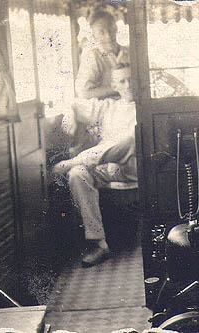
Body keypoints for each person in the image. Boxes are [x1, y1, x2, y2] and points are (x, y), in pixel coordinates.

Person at [53, 63, 137, 267]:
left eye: (131, 80)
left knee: (126, 141)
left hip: (133, 168)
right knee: (77, 174)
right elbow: (73, 103)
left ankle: (73, 162)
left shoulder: (145, 109)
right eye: (122, 81)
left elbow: (123, 145)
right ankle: (98, 243)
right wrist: (71, 115)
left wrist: (75, 159)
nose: (128, 85)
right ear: (115, 85)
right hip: (105, 167)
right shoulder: (108, 107)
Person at [75, 10, 129, 100]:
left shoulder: (129, 52)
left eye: (110, 29)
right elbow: (83, 93)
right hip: (106, 108)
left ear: (116, 28)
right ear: (94, 36)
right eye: (101, 32)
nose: (108, 36)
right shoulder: (93, 57)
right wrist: (118, 88)